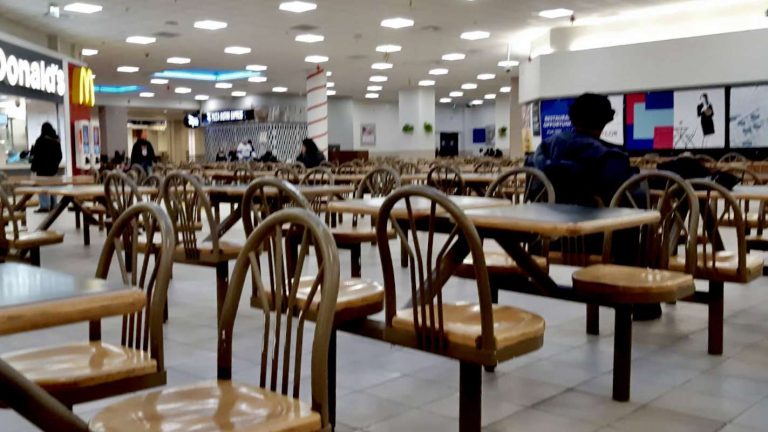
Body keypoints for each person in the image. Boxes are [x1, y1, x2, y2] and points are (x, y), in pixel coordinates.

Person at [531, 93, 636, 206]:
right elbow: (618, 192)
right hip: (594, 216)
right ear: (606, 119)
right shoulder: (611, 156)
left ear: (572, 117)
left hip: (546, 212)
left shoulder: (546, 146)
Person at [30, 122, 62, 212]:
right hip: (53, 170)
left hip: (42, 171)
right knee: (53, 189)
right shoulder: (56, 141)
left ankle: (44, 206)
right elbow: (60, 156)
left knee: (43, 189)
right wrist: (55, 164)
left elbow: (36, 156)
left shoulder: (40, 141)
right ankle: (54, 205)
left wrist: (34, 167)